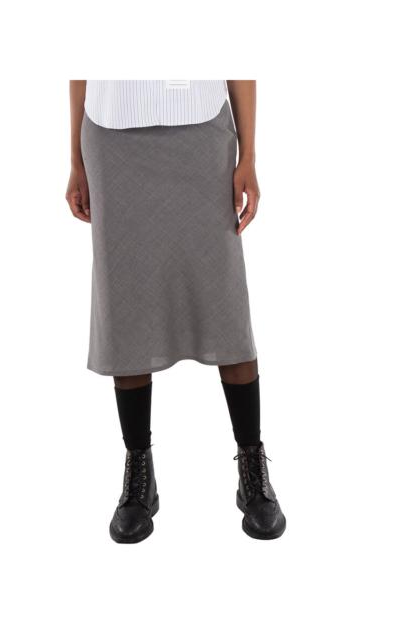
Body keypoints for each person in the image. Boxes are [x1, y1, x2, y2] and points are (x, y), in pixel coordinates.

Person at [66, 80, 286, 543]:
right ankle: (139, 473)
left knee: (224, 300)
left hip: (201, 129)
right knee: (125, 301)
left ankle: (251, 466)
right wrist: (75, 159)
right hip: (112, 131)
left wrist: (248, 155)